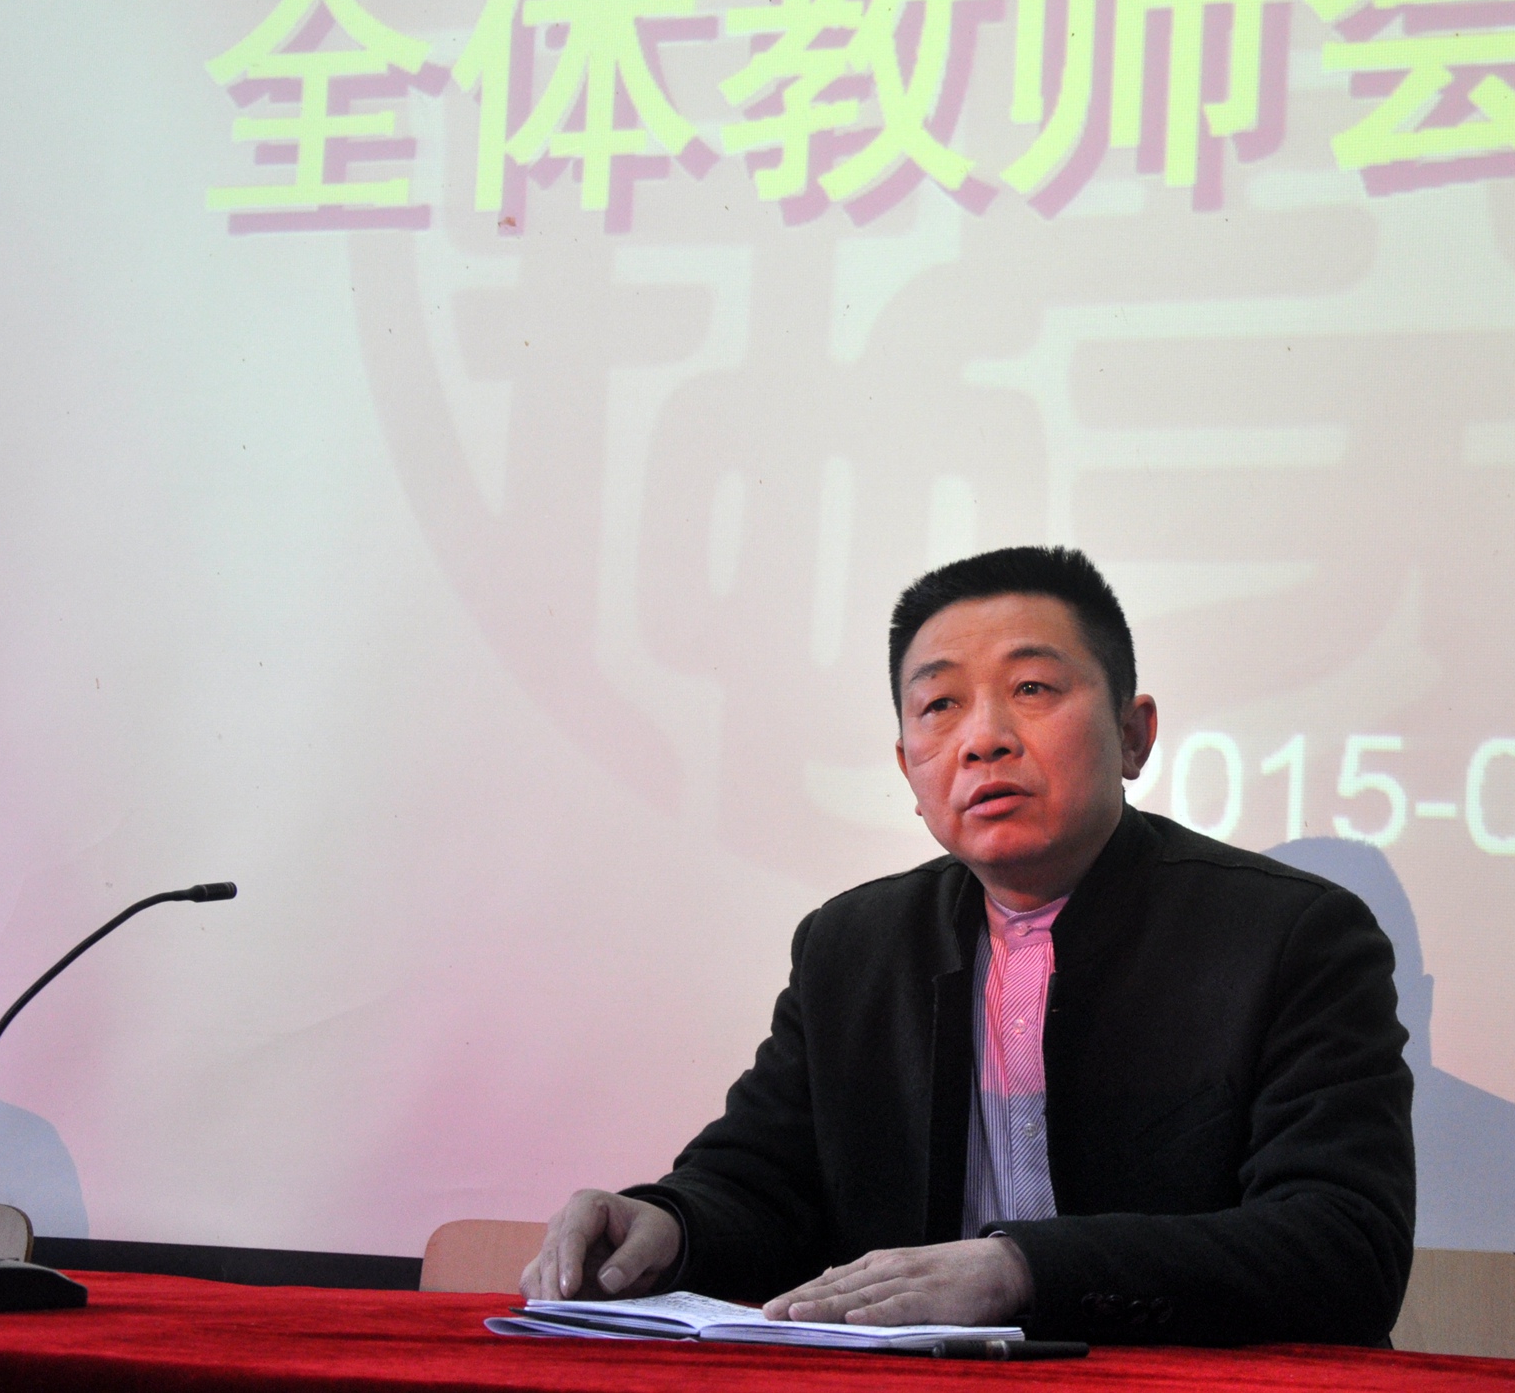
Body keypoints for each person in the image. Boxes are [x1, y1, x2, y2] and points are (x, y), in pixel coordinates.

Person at [522, 547, 1414, 1344]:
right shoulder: (852, 947)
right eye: (940, 704)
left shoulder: (1291, 937)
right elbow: (764, 1186)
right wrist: (667, 1225)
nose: (984, 739)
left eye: (1033, 689)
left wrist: (1023, 1270)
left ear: (1133, 733)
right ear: (909, 769)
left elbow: (1342, 1247)